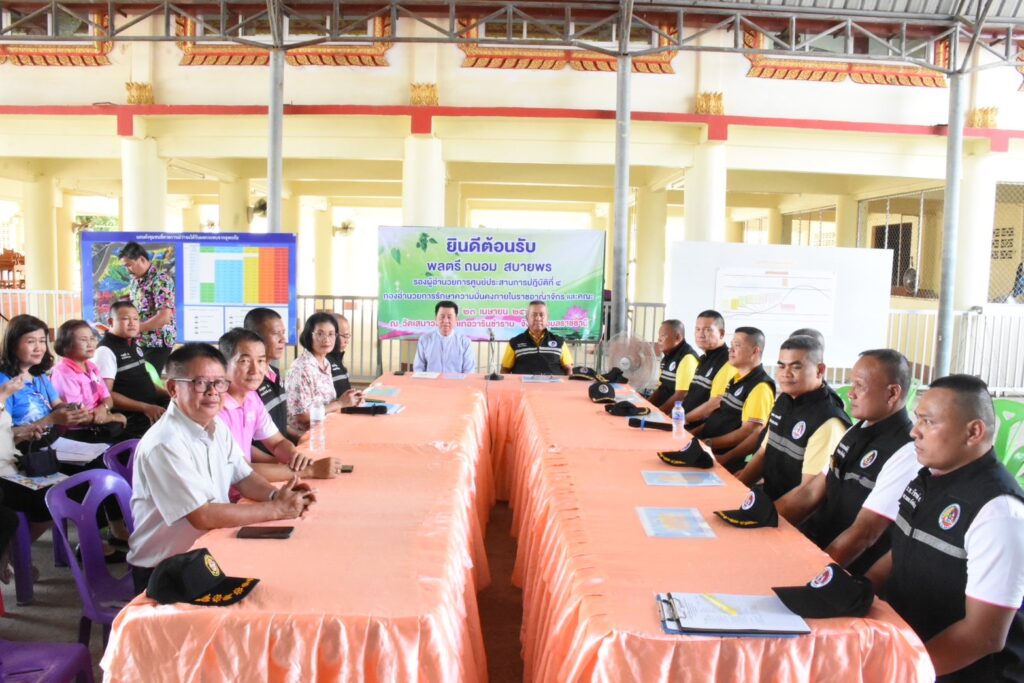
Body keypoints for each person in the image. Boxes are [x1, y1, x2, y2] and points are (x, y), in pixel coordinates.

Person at [866, 375, 1024, 680]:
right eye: (917, 419)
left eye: (928, 422)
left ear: (973, 432)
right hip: (907, 644)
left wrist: (899, 673)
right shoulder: (930, 478)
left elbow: (983, 636)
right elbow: (902, 550)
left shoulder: (999, 512)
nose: (914, 431)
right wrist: (859, 591)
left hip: (958, 671)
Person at [127, 343, 316, 593]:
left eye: (219, 383)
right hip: (167, 570)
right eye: (200, 383)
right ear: (173, 388)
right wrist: (276, 509)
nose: (213, 392)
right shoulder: (165, 444)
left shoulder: (216, 426)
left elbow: (244, 477)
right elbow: (202, 516)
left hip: (208, 552)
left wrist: (276, 496)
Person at [791, 350, 919, 575]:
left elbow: (864, 534)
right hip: (815, 546)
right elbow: (810, 493)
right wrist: (765, 520)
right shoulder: (855, 430)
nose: (851, 393)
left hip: (845, 571)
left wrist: (811, 574)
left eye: (859, 385)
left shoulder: (907, 452)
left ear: (892, 393)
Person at [736, 335, 851, 510]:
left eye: (796, 367)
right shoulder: (785, 400)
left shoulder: (829, 421)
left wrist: (762, 516)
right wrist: (734, 491)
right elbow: (762, 454)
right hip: (768, 500)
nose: (785, 374)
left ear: (820, 370)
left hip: (794, 516)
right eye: (781, 366)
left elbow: (807, 493)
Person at [218, 328, 345, 482]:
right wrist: (309, 470)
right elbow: (241, 471)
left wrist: (294, 457)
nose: (255, 370)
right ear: (222, 365)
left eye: (261, 361)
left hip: (251, 486)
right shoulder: (215, 408)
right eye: (244, 361)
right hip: (231, 492)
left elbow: (277, 443)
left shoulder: (251, 398)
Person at [693, 326, 774, 464]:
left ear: (755, 351)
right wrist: (693, 434)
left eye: (737, 345)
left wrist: (710, 444)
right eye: (731, 345)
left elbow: (749, 433)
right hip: (707, 447)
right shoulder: (736, 378)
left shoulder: (761, 387)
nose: (731, 350)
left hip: (723, 459)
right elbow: (719, 415)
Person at [0, 315, 92, 432]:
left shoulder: (39, 375)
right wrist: (50, 420)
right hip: (25, 443)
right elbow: (4, 434)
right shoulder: (4, 383)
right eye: (31, 342)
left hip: (51, 438)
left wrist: (73, 409)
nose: (38, 348)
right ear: (13, 345)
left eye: (42, 341)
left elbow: (56, 404)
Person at [95, 301, 168, 440]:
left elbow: (145, 380)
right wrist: (146, 408)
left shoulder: (134, 344)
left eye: (135, 319)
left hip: (151, 408)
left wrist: (169, 394)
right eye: (125, 319)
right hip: (132, 419)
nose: (132, 323)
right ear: (111, 322)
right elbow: (106, 395)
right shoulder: (105, 351)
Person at [0, 375, 49, 581]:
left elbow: (4, 435)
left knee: (50, 498)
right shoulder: (5, 391)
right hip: (3, 475)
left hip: (10, 468)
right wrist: (2, 396)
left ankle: (12, 551)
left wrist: (23, 434)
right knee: (8, 517)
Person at [51, 319, 128, 441]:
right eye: (83, 340)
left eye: (92, 338)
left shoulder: (91, 367)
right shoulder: (64, 373)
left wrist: (103, 408)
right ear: (67, 345)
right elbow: (76, 416)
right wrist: (111, 417)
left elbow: (108, 398)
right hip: (77, 432)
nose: (90, 344)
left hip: (97, 423)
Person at [285, 313, 361, 432]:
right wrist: (340, 403)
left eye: (331, 334)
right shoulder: (301, 368)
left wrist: (349, 399)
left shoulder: (325, 363)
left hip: (328, 427)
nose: (326, 339)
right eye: (320, 334)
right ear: (309, 336)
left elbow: (326, 403)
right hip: (309, 435)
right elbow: (302, 416)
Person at [243, 307, 301, 445]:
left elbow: (277, 424)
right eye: (276, 333)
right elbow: (243, 443)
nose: (283, 340)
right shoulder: (248, 382)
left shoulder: (274, 373)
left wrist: (301, 438)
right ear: (255, 336)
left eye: (283, 333)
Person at [118, 241, 176, 374]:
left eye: (129, 265)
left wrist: (136, 328)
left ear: (142, 259)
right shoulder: (135, 281)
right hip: (140, 341)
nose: (127, 270)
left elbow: (164, 317)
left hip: (157, 342)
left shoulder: (160, 280)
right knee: (136, 377)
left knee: (148, 379)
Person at [680, 310, 738, 429]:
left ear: (721, 333)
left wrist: (682, 419)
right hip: (684, 424)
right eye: (698, 329)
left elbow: (716, 403)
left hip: (699, 430)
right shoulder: (703, 358)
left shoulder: (728, 362)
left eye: (707, 330)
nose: (700, 334)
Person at [501, 300, 573, 376]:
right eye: (534, 315)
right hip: (523, 384)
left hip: (553, 383)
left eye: (542, 315)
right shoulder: (514, 343)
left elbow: (569, 369)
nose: (538, 318)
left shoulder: (559, 342)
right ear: (527, 318)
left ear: (547, 318)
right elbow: (505, 369)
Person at [648, 319, 699, 414]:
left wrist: (657, 413)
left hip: (674, 415)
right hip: (661, 410)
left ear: (678, 337)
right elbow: (662, 388)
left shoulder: (687, 358)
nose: (659, 339)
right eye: (659, 336)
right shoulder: (668, 356)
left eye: (663, 336)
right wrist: (646, 406)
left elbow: (681, 395)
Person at [413, 301, 476, 375]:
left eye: (449, 317)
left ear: (456, 320)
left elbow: (469, 372)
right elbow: (418, 368)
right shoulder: (424, 340)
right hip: (430, 382)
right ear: (436, 318)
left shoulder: (465, 342)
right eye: (442, 317)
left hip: (456, 382)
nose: (445, 321)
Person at [326, 312, 354, 397]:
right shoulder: (324, 362)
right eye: (344, 336)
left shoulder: (338, 360)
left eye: (348, 336)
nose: (347, 341)